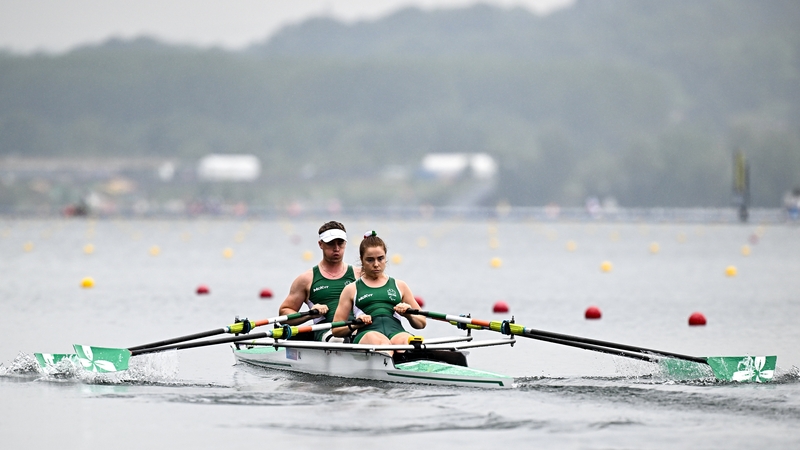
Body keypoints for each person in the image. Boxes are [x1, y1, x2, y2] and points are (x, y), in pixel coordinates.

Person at [332, 231, 425, 352]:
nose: (376, 264)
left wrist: (408, 315)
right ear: (362, 260)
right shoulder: (351, 289)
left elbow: (422, 322)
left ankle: (412, 362)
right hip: (367, 333)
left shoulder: (400, 286)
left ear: (385, 258)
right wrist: (356, 324)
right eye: (370, 260)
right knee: (382, 343)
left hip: (396, 332)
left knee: (409, 342)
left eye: (380, 259)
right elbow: (336, 330)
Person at [278, 221, 360, 341]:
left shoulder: (360, 274)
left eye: (340, 243)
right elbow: (284, 313)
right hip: (327, 331)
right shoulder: (306, 279)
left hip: (357, 327)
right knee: (337, 340)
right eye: (331, 243)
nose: (336, 248)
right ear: (320, 244)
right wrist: (310, 314)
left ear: (345, 244)